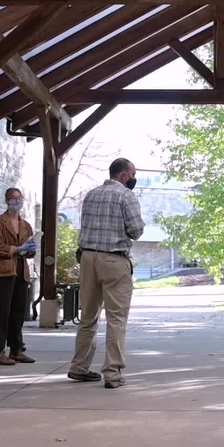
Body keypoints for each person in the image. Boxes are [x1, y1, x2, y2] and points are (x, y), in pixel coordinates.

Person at [69, 158, 144, 389]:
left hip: (88, 258)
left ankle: (79, 367)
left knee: (88, 316)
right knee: (116, 318)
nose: (133, 178)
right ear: (123, 175)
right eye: (132, 174)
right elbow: (136, 230)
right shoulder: (126, 196)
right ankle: (112, 373)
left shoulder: (91, 194)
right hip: (114, 259)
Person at [0, 188, 37, 366]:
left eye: (19, 198)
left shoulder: (25, 225)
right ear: (7, 201)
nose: (17, 201)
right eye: (13, 198)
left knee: (19, 311)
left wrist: (30, 250)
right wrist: (17, 249)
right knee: (4, 310)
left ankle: (16, 349)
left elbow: (28, 251)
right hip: (5, 270)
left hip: (21, 270)